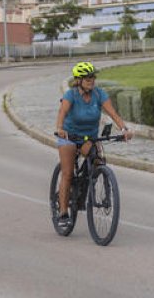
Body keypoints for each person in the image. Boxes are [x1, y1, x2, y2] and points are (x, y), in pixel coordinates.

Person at [53, 61, 132, 227]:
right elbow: (62, 112)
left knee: (98, 160)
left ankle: (90, 187)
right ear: (79, 81)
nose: (92, 81)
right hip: (69, 136)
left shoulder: (99, 94)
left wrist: (124, 129)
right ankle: (63, 213)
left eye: (93, 78)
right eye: (88, 79)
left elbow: (112, 113)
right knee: (67, 173)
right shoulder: (71, 95)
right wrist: (60, 128)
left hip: (89, 137)